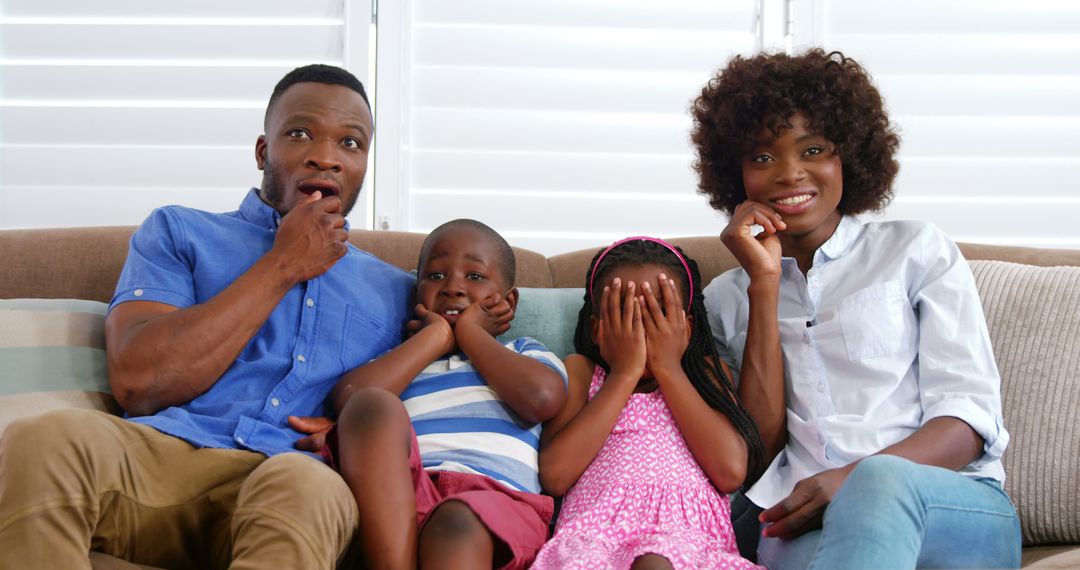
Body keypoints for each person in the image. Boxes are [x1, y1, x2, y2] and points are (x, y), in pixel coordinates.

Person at [0, 64, 414, 569]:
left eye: (350, 144)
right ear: (263, 151)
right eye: (300, 133)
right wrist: (283, 264)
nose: (325, 156)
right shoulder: (178, 231)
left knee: (305, 487)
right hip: (157, 455)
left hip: (290, 472)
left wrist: (354, 430)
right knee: (42, 439)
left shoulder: (399, 290)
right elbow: (139, 379)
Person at [692, 49, 1021, 569]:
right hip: (801, 513)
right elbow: (756, 446)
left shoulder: (915, 250)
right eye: (762, 157)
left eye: (814, 149)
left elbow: (966, 420)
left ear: (850, 155)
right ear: (735, 176)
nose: (789, 173)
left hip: (948, 500)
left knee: (879, 482)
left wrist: (851, 479)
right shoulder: (725, 298)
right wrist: (765, 284)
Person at [318, 218, 568, 570]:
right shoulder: (401, 362)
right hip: (400, 502)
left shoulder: (525, 352)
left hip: (497, 504)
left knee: (457, 520)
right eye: (436, 276)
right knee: (372, 403)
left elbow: (541, 398)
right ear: (416, 291)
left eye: (475, 277)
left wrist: (470, 333)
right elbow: (348, 401)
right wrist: (434, 339)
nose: (453, 287)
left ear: (509, 301)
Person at [531, 237, 767, 570]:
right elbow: (555, 476)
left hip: (688, 540)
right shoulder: (582, 373)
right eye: (624, 314)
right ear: (597, 329)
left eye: (659, 314)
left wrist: (668, 368)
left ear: (686, 328)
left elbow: (729, 472)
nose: (640, 329)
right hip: (594, 537)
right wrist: (624, 373)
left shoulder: (707, 375)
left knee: (654, 561)